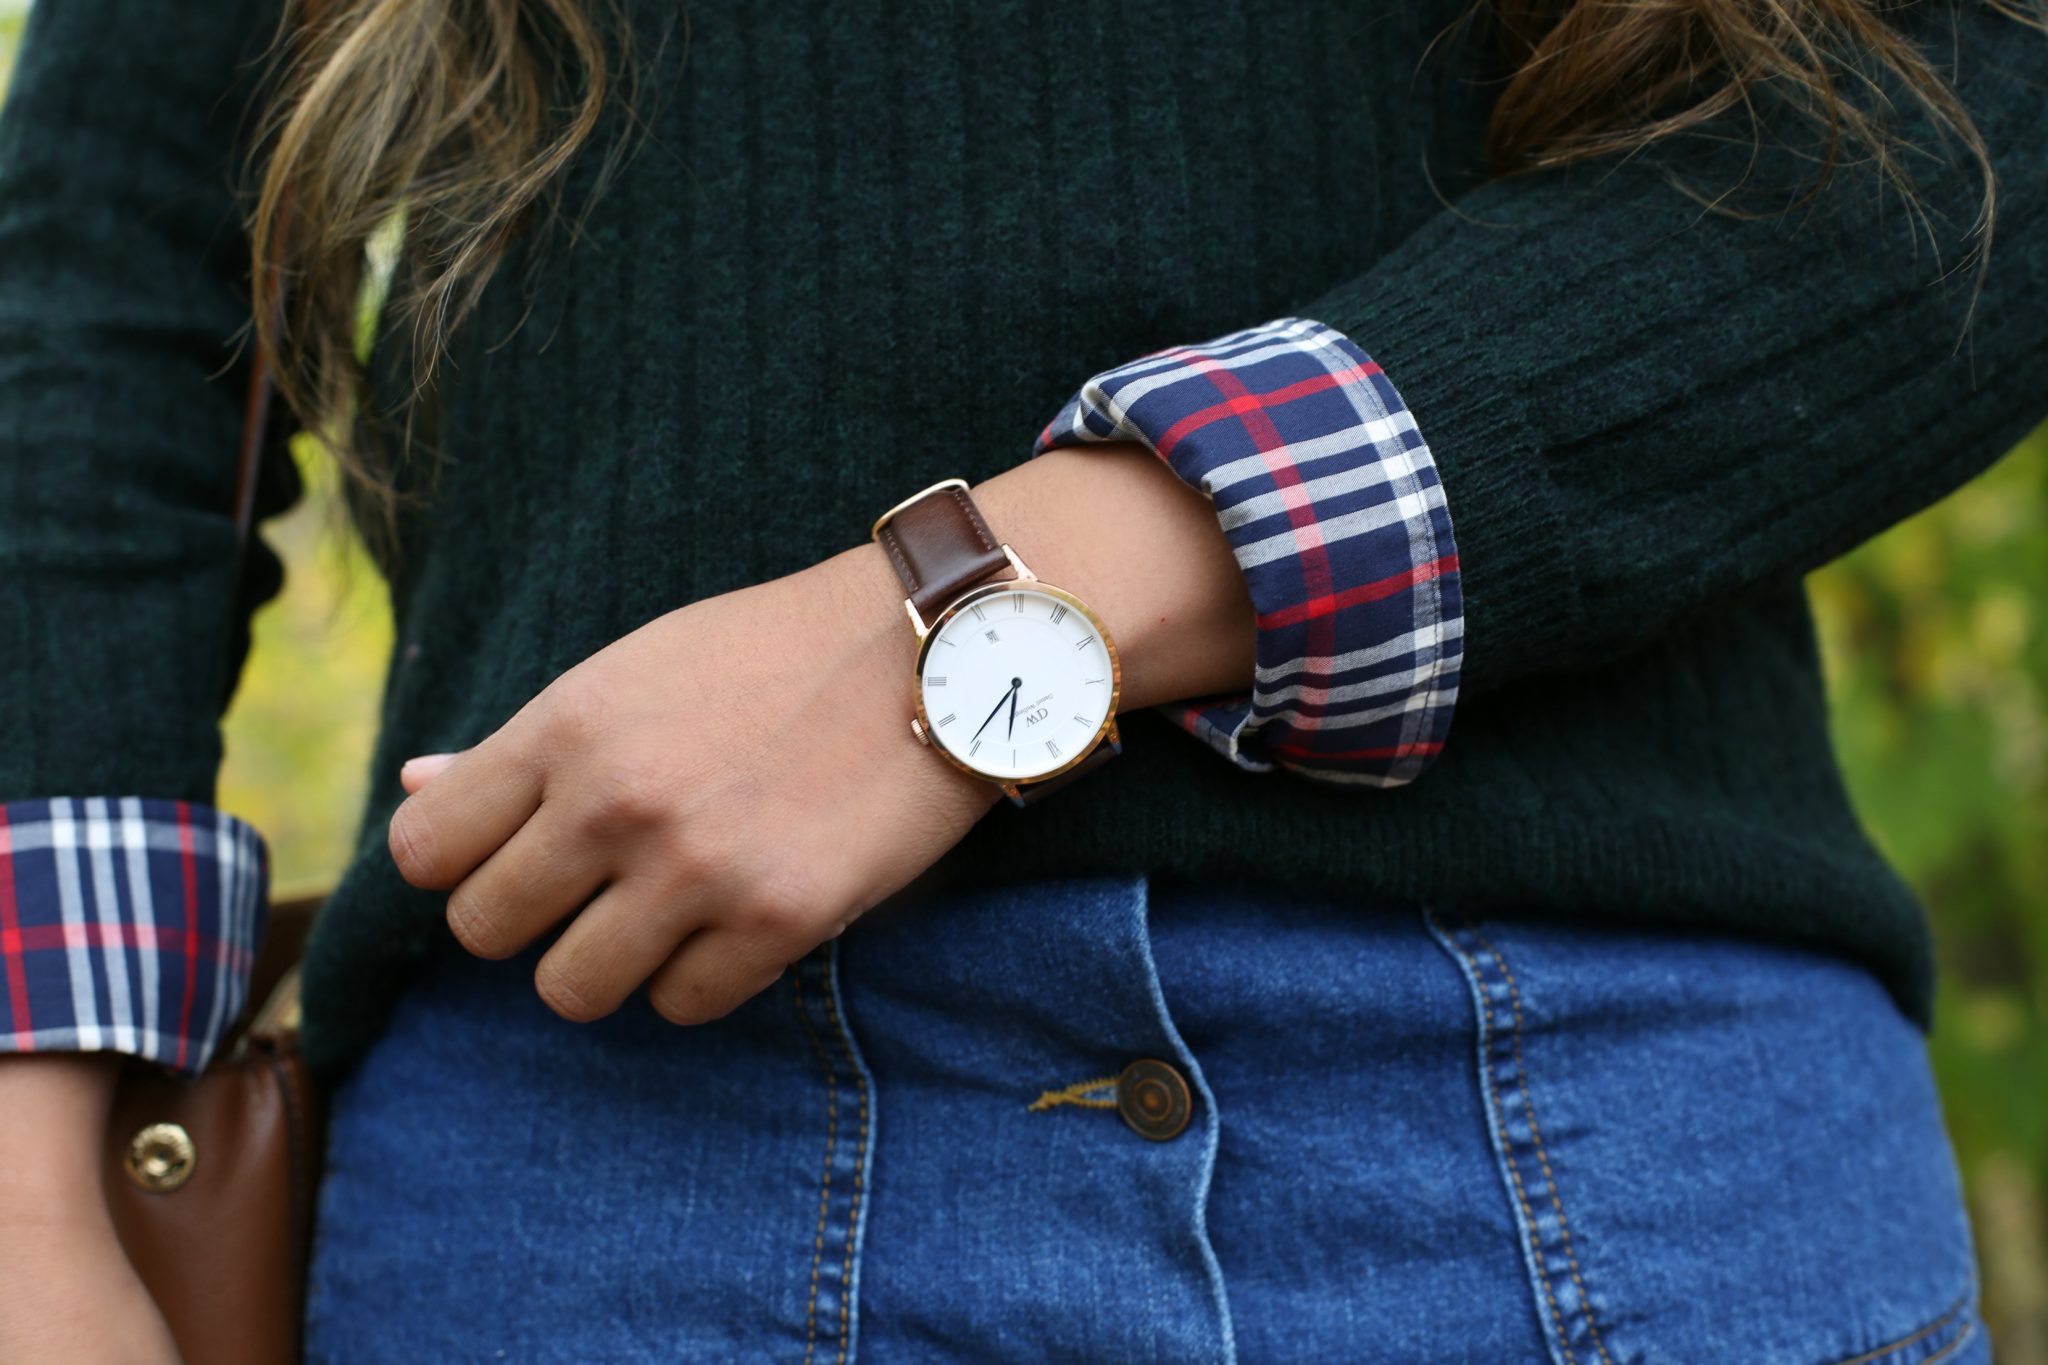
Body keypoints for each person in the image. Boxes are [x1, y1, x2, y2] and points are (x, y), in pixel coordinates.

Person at [2, 0, 2042, 1359]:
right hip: (621, 1152)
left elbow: (1986, 99)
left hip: (1596, 1125)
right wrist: (25, 1187)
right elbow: (102, 270)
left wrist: (1013, 598)